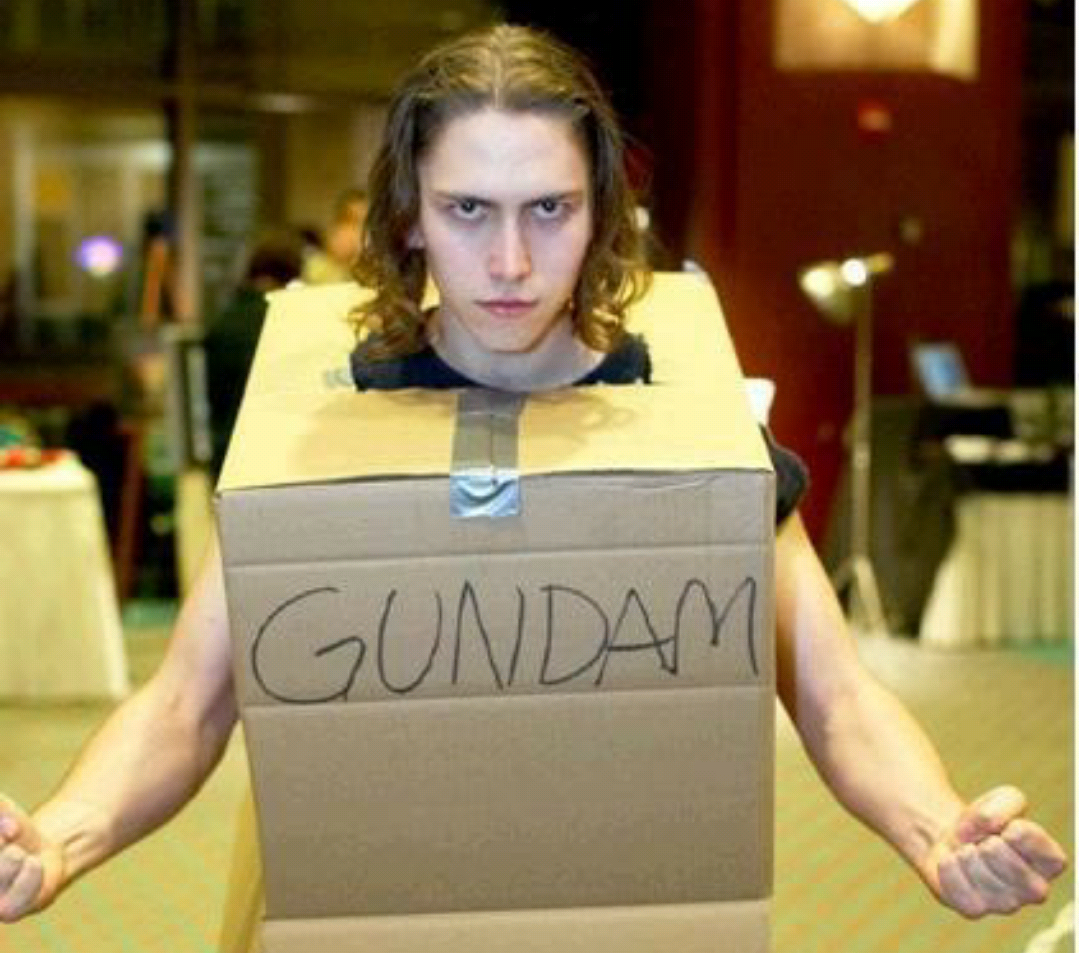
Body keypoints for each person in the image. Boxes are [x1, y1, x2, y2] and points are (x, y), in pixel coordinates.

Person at [0, 24, 1065, 927]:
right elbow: (186, 704)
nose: (509, 262)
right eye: (467, 209)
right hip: (376, 908)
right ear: (409, 214)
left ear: (598, 211)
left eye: (547, 209)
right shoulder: (328, 426)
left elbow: (833, 696)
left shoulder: (690, 429)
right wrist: (58, 838)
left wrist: (936, 827)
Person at [203, 228, 303, 478]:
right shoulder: (287, 320)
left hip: (226, 452)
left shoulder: (223, 321)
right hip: (274, 452)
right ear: (292, 273)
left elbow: (212, 395)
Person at [300, 187, 368, 285]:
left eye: (363, 224)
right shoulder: (316, 266)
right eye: (348, 222)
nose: (355, 232)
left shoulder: (374, 271)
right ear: (334, 226)